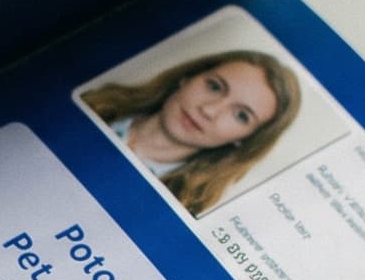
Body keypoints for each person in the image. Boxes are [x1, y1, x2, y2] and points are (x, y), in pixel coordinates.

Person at [77, 49, 299, 217]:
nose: (209, 110)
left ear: (246, 139)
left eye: (241, 115)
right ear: (188, 77)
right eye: (214, 86)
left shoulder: (179, 208)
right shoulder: (92, 102)